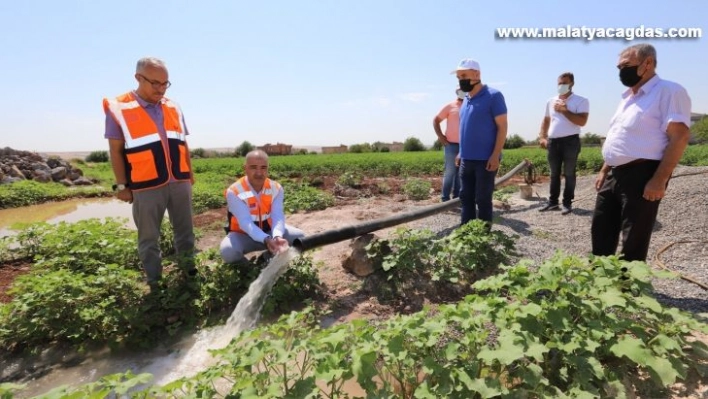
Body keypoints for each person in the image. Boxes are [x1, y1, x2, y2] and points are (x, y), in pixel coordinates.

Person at [591, 43, 691, 262]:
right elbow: (619, 136)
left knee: (633, 239)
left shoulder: (669, 91)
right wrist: (605, 169)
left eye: (626, 65)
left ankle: (628, 291)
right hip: (613, 174)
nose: (621, 71)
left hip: (643, 173)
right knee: (601, 231)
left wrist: (659, 179)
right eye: (618, 67)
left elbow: (679, 137)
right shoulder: (628, 98)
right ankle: (600, 285)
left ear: (648, 63)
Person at [103, 57, 196, 290]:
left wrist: (190, 175)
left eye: (165, 84)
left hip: (179, 180)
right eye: (155, 83)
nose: (161, 89)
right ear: (138, 78)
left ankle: (189, 275)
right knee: (148, 238)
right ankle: (155, 283)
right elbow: (115, 150)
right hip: (146, 184)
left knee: (185, 233)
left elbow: (183, 144)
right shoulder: (119, 107)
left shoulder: (173, 106)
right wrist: (122, 185)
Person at [220, 150, 305, 264]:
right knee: (228, 251)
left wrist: (277, 237)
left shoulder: (276, 188)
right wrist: (265, 239)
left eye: (263, 168)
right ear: (245, 168)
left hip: (270, 232)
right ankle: (248, 270)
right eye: (253, 167)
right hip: (243, 235)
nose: (259, 172)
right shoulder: (234, 191)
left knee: (300, 238)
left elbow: (277, 216)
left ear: (268, 169)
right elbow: (246, 223)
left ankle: (265, 258)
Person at [453, 58, 508, 229]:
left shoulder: (493, 96)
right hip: (466, 159)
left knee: (483, 199)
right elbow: (465, 130)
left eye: (464, 75)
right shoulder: (466, 100)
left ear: (477, 74)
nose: (461, 79)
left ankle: (483, 236)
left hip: (485, 160)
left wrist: (495, 154)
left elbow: (502, 127)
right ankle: (466, 232)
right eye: (458, 77)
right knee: (465, 197)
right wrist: (461, 151)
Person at [538, 72, 590, 215]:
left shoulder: (581, 101)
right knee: (554, 173)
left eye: (564, 83)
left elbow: (582, 121)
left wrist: (564, 111)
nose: (561, 86)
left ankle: (567, 203)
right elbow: (546, 120)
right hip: (553, 142)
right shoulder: (550, 101)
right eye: (559, 83)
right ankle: (553, 202)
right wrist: (542, 137)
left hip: (570, 141)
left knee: (569, 173)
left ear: (572, 83)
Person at [433, 87, 464, 202]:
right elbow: (436, 120)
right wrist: (441, 137)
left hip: (464, 146)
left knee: (461, 173)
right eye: (461, 89)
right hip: (450, 145)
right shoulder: (450, 106)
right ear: (457, 92)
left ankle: (457, 199)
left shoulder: (469, 106)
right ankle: (445, 199)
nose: (463, 91)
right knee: (450, 172)